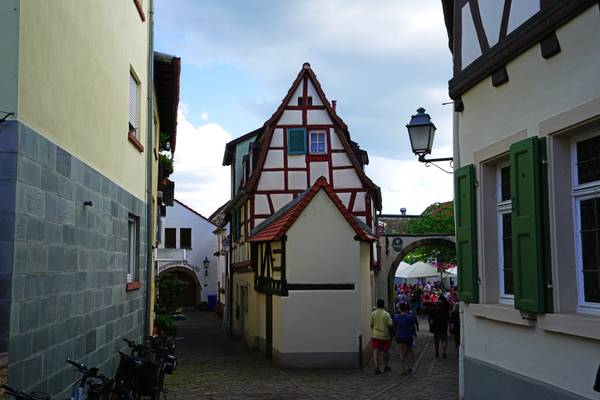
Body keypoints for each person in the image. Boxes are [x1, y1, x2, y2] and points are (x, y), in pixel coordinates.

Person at [393, 303, 418, 375]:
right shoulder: (410, 317)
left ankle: (402, 368)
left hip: (399, 336)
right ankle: (408, 367)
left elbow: (394, 325)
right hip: (408, 336)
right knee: (410, 353)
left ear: (400, 309)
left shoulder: (396, 317)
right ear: (407, 309)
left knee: (401, 352)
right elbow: (413, 327)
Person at [370, 299, 393, 374]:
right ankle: (386, 366)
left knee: (375, 351)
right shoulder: (386, 314)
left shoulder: (373, 314)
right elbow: (390, 325)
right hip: (385, 336)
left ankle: (376, 367)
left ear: (377, 305)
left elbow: (371, 324)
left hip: (375, 335)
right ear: (383, 305)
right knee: (385, 351)